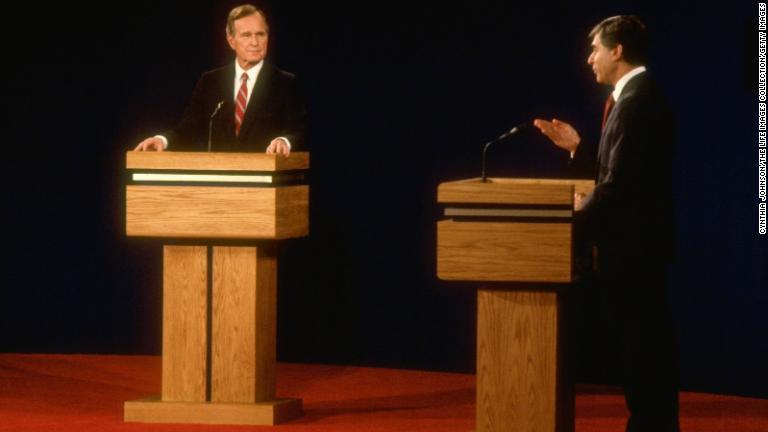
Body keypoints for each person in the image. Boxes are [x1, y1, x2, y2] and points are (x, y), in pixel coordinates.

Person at [534, 15, 679, 432]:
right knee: (641, 349)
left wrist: (579, 210)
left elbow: (622, 185)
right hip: (635, 247)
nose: (588, 58)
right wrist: (581, 150)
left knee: (643, 351)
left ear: (617, 50)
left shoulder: (638, 101)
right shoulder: (633, 97)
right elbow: (621, 171)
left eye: (595, 48)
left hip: (634, 250)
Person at [134, 4, 307, 155]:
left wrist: (284, 141)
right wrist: (162, 141)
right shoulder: (210, 81)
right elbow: (189, 129)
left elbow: (299, 131)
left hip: (265, 184)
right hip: (221, 184)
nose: (255, 42)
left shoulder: (285, 83)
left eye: (260, 34)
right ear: (231, 40)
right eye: (246, 35)